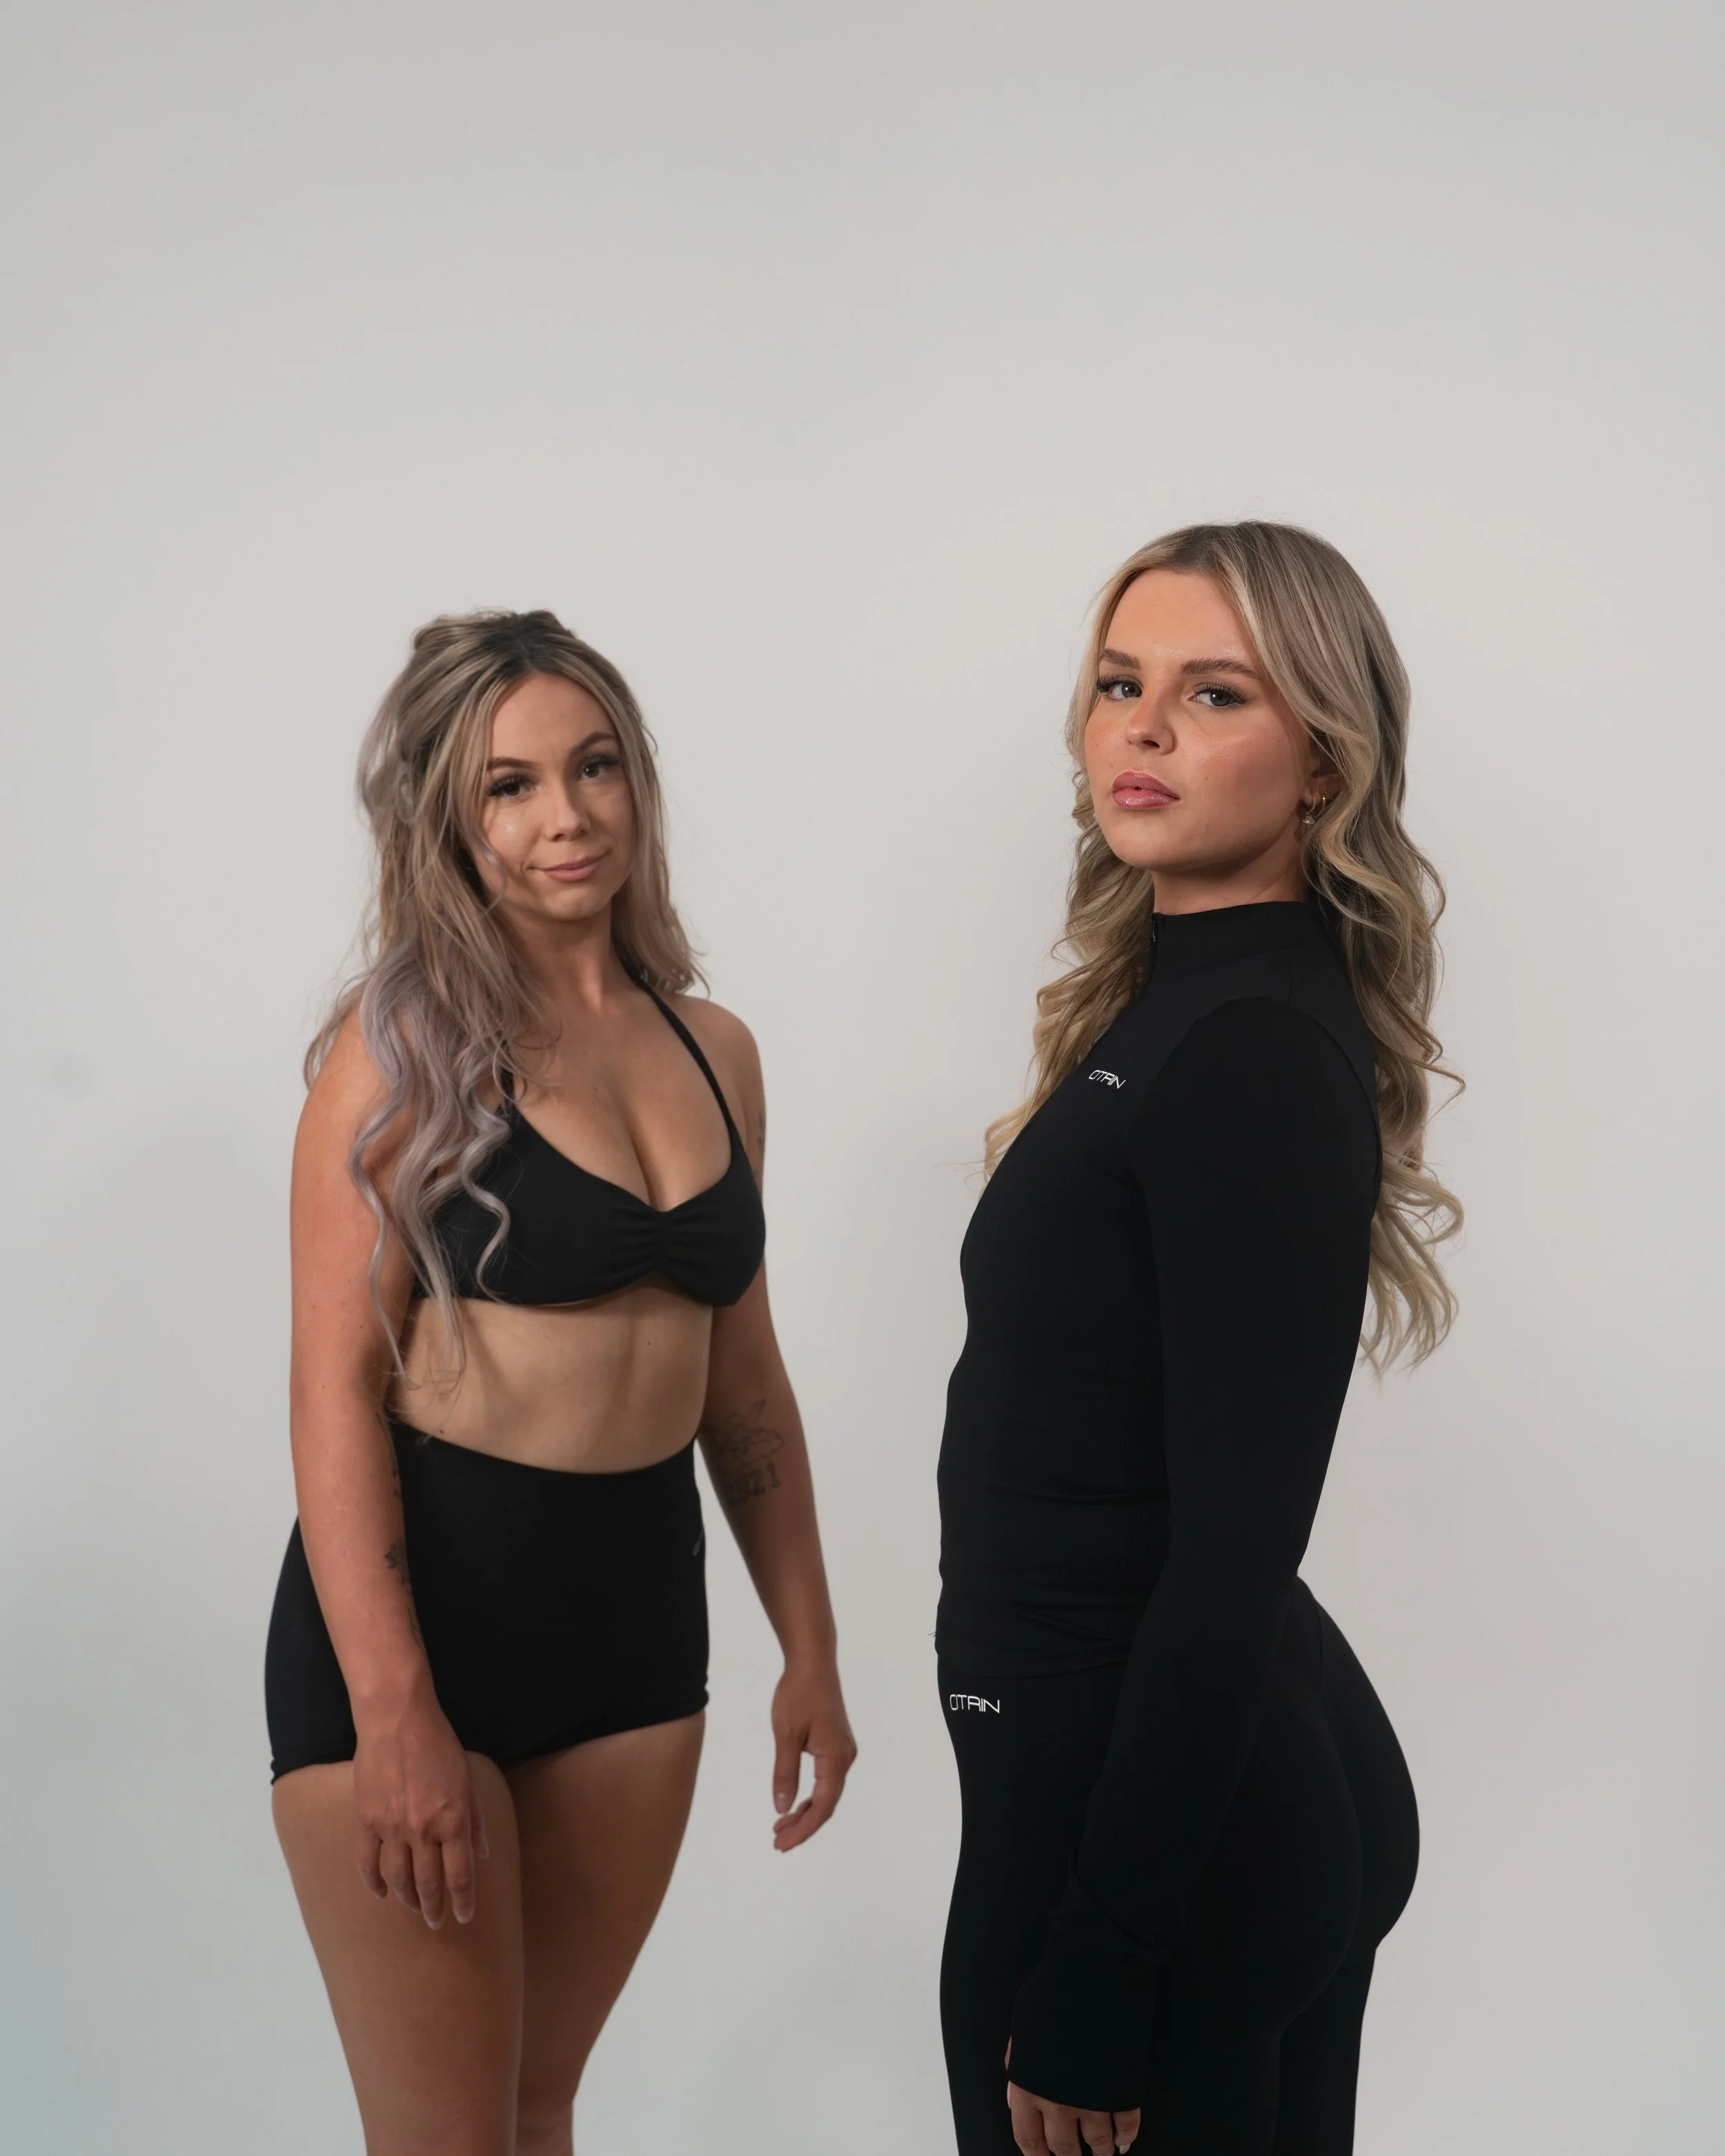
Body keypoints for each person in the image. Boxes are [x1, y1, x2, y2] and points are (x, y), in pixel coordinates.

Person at [265, 609, 855, 2156]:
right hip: (429, 1626)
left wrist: (808, 1640)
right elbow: (332, 1393)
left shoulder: (715, 1048)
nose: (566, 816)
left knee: (537, 2112)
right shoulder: (399, 1055)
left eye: (593, 768)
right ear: (445, 822)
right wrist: (393, 1710)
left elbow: (745, 1382)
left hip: (637, 1631)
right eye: (509, 787)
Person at [936, 524, 1459, 2156]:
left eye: (1213, 691)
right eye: (1118, 683)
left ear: (1324, 761)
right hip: (1187, 1794)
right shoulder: (1190, 1003)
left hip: (1151, 1845)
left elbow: (1235, 1544)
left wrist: (1104, 1953)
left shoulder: (1243, 1047)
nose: (1142, 728)